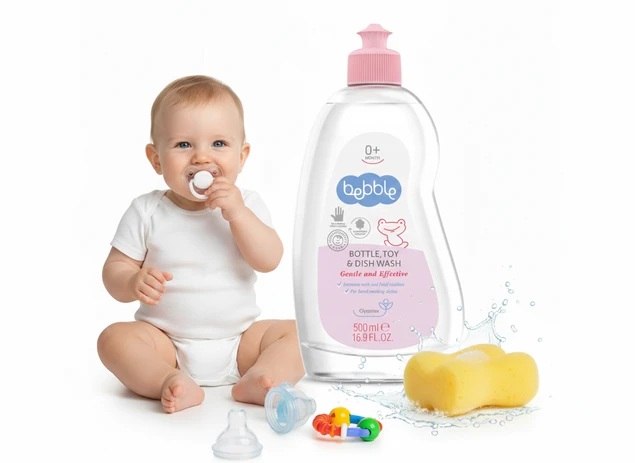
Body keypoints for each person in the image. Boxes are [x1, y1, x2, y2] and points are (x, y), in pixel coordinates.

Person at [97, 75, 304, 413]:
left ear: (242, 156)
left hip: (241, 342)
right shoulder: (147, 210)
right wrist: (132, 281)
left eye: (219, 144)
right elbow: (114, 272)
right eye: (183, 145)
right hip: (166, 344)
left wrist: (237, 214)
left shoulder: (248, 204)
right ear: (156, 159)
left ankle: (262, 376)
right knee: (113, 339)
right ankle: (167, 380)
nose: (202, 158)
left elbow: (270, 259)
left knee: (301, 335)